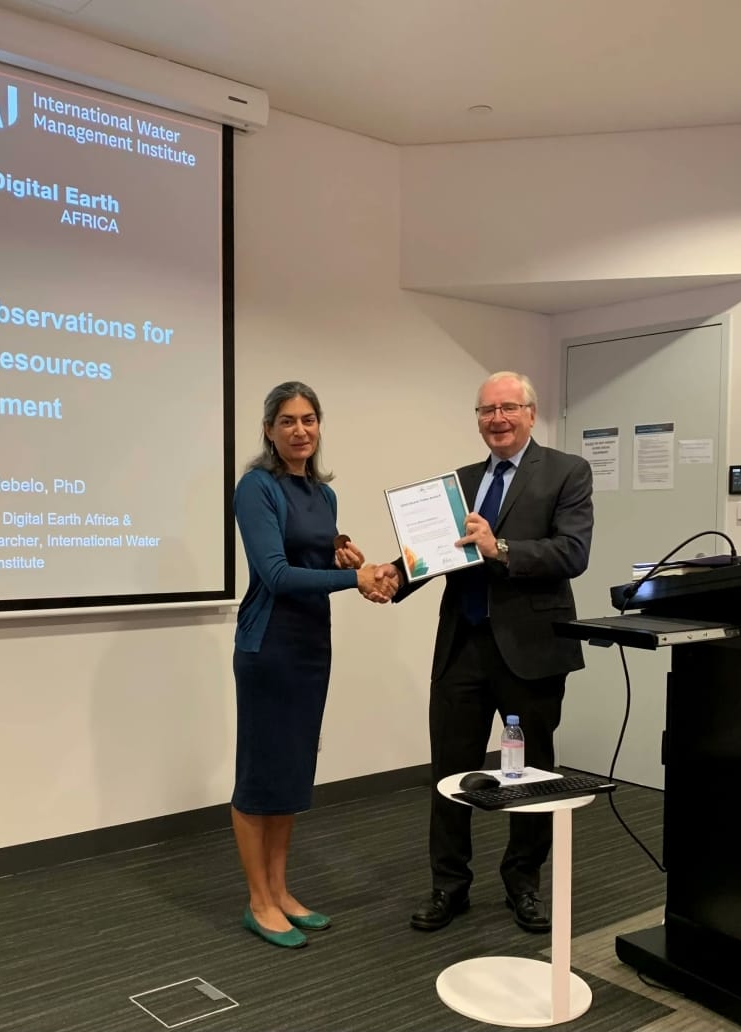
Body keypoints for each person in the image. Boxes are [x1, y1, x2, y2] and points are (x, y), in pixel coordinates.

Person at [373, 371, 593, 934]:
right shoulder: (461, 482)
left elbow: (572, 552)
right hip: (462, 650)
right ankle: (449, 885)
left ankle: (525, 884)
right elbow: (433, 556)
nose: (496, 419)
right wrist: (387, 578)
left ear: (531, 412)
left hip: (532, 652)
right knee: (450, 773)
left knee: (533, 775)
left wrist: (503, 549)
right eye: (485, 410)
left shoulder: (567, 471)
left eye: (507, 408)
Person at [232, 381, 391, 949]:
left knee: (293, 771)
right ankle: (257, 901)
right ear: (269, 430)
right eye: (287, 420)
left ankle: (280, 890)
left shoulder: (323, 496)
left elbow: (312, 556)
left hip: (310, 646)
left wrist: (344, 556)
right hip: (268, 646)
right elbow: (275, 575)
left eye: (309, 419)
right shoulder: (255, 487)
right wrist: (354, 577)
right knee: (260, 773)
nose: (300, 430)